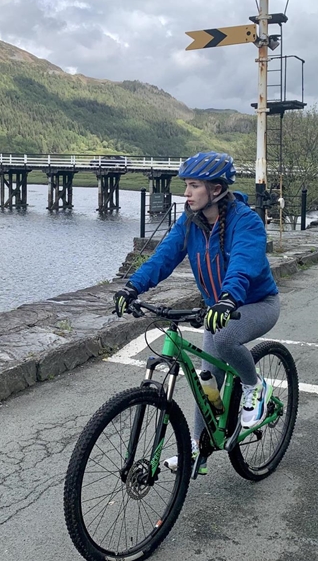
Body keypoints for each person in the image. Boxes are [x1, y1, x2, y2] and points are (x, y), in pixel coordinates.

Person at [113, 151, 280, 475]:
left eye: (193, 186)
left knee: (227, 337)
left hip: (255, 304)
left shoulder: (246, 221)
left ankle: (254, 387)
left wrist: (228, 298)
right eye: (186, 186)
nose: (186, 193)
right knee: (207, 382)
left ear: (215, 190)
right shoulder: (188, 223)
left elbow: (242, 264)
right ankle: (199, 448)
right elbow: (162, 258)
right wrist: (132, 287)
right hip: (217, 310)